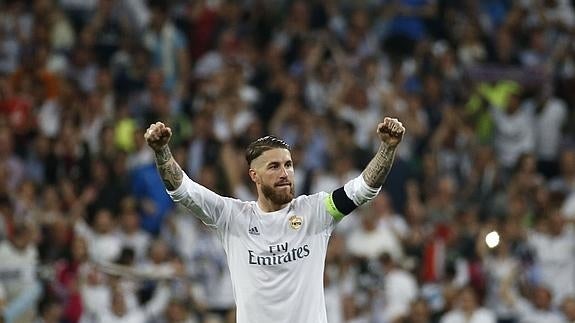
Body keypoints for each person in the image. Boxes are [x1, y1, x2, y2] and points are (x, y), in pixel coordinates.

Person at [143, 117, 405, 323]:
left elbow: (363, 189)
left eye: (288, 165)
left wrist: (387, 149)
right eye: (274, 166)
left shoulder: (316, 212)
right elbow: (183, 190)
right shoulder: (232, 217)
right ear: (254, 176)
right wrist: (162, 152)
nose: (285, 173)